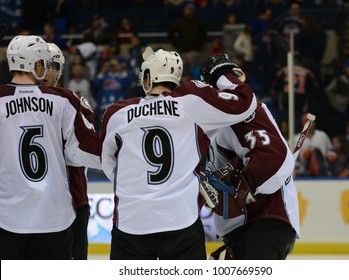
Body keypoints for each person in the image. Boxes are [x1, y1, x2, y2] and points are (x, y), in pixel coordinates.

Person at [100, 48, 257, 260]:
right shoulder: (192, 102)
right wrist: (224, 74)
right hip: (180, 220)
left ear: (148, 77)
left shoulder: (117, 113)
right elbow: (245, 104)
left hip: (131, 222)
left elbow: (110, 164)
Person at [0, 35, 101, 260]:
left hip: (10, 216)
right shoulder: (66, 100)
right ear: (36, 64)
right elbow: (85, 150)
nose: (48, 71)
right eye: (46, 64)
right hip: (54, 216)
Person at [202, 71, 300, 260]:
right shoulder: (216, 128)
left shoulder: (241, 117)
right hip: (246, 230)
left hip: (262, 224)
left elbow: (273, 159)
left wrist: (238, 191)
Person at [41, 43, 93, 260]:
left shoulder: (74, 101)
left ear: (60, 70)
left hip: (73, 200)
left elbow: (87, 147)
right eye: (41, 65)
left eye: (52, 66)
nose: (46, 71)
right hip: (31, 202)